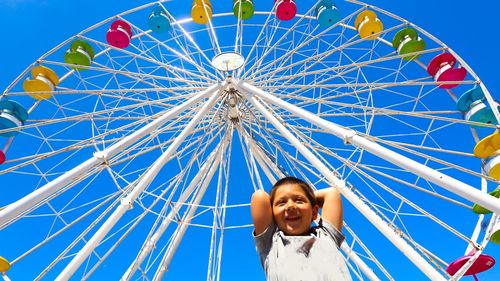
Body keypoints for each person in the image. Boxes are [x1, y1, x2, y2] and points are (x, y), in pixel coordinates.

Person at [251, 176, 352, 281]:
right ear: (272, 215)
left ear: (314, 212)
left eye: (299, 201)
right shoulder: (270, 244)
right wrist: (306, 200)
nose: (290, 206)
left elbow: (331, 193)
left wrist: (308, 198)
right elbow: (259, 196)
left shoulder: (327, 236)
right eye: (282, 203)